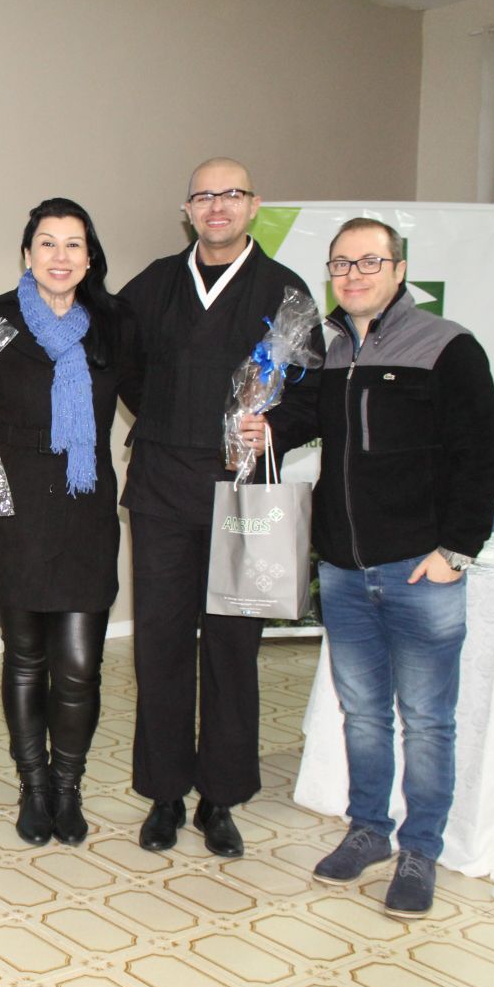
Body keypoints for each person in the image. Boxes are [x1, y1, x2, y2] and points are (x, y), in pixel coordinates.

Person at [249, 218, 494, 917]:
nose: (353, 274)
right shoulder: (329, 348)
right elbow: (306, 418)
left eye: (369, 261)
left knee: (426, 719)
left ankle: (421, 848)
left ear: (399, 270)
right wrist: (265, 427)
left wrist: (455, 551)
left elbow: (486, 460)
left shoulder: (447, 346)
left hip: (421, 570)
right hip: (342, 568)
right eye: (341, 263)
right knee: (362, 713)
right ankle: (369, 829)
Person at [119, 158, 322, 858]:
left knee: (234, 647)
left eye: (230, 194)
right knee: (162, 644)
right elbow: (128, 371)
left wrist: (273, 427)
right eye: (203, 196)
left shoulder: (285, 291)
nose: (217, 206)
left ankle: (221, 796)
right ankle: (165, 792)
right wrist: (176, 420)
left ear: (254, 205)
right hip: (162, 486)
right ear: (187, 210)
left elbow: (311, 391)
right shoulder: (154, 284)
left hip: (242, 491)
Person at [0, 199, 142, 847]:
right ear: (27, 254)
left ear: (89, 257)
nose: (60, 256)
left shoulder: (114, 324)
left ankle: (68, 788)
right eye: (47, 243)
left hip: (84, 511)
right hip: (14, 515)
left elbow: (152, 399)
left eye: (74, 244)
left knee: (78, 667)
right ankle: (34, 788)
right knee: (24, 660)